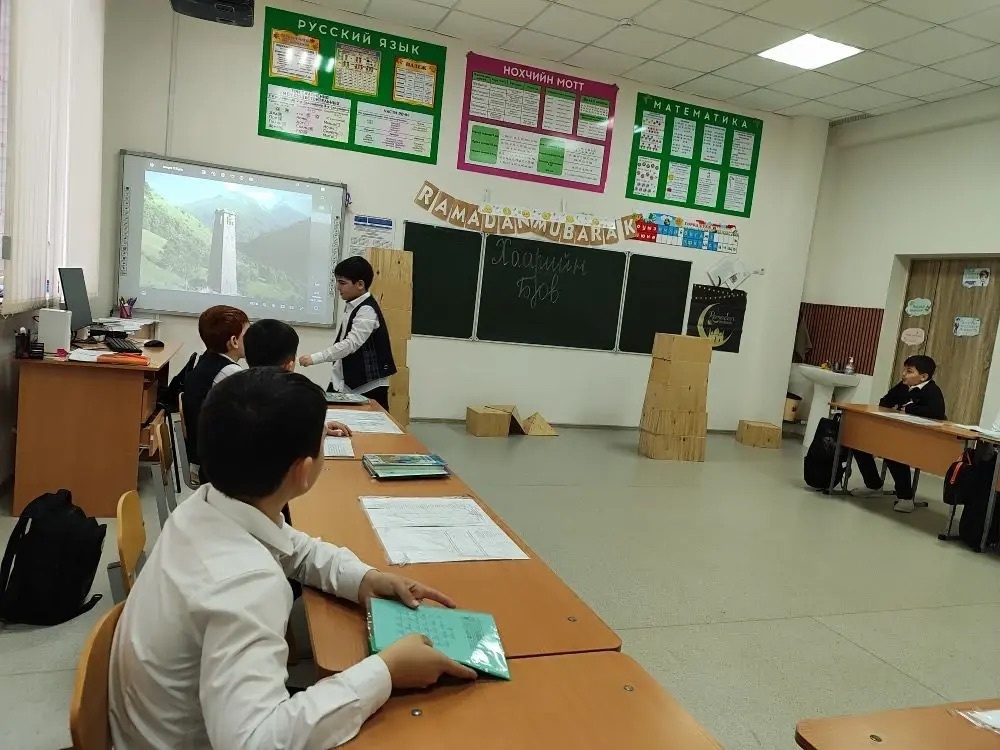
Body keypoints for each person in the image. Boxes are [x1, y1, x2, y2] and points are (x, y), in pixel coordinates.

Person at [109, 368, 477, 749]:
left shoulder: (204, 506)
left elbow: (294, 548)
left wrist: (363, 579)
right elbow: (253, 742)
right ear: (303, 472)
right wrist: (386, 671)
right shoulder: (247, 585)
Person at [299, 256, 397, 410]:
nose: (338, 287)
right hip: (345, 380)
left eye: (342, 283)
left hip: (367, 385)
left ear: (360, 284)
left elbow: (350, 344)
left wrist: (315, 358)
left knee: (369, 423)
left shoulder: (367, 310)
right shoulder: (353, 305)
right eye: (337, 282)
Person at [852, 355, 946, 513]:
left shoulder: (932, 391)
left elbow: (936, 412)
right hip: (898, 432)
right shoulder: (903, 386)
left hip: (921, 438)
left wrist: (908, 408)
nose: (903, 374)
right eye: (904, 370)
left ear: (923, 377)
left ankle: (905, 497)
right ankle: (873, 485)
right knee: (859, 443)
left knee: (894, 452)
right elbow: (885, 401)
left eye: (909, 371)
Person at [183, 305, 249, 480]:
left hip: (201, 452)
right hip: (214, 462)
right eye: (247, 335)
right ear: (234, 341)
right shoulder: (229, 372)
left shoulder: (206, 360)